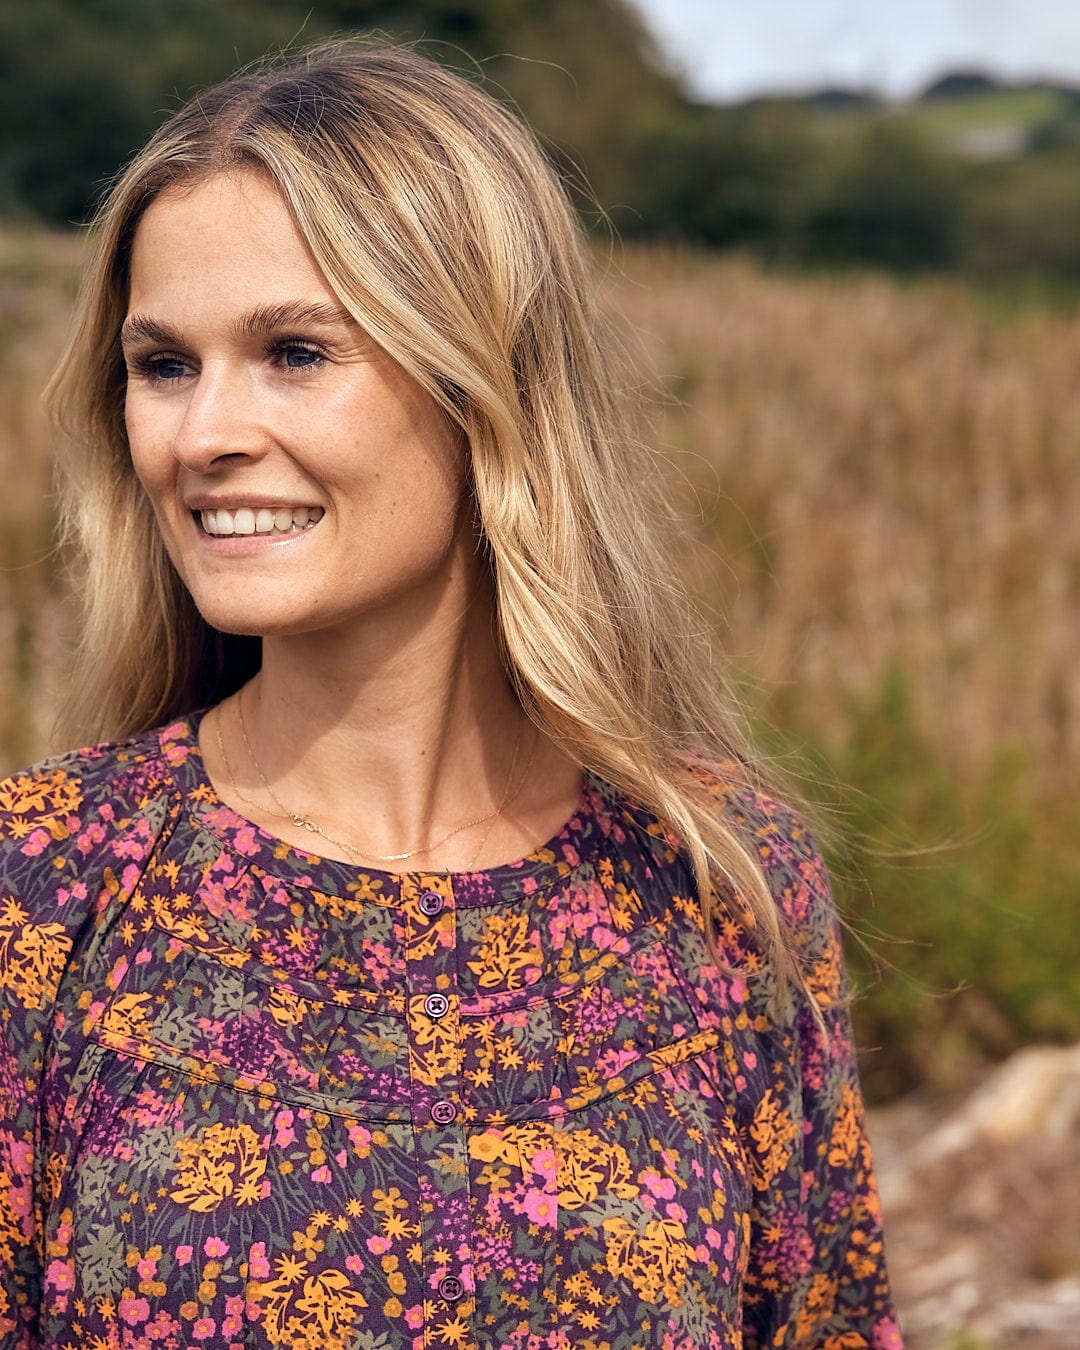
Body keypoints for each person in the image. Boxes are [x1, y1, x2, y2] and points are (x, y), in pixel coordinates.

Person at [0, 39, 902, 1350]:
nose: (202, 436)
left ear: (485, 385)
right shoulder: (48, 878)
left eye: (295, 352)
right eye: (164, 365)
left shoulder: (716, 882)